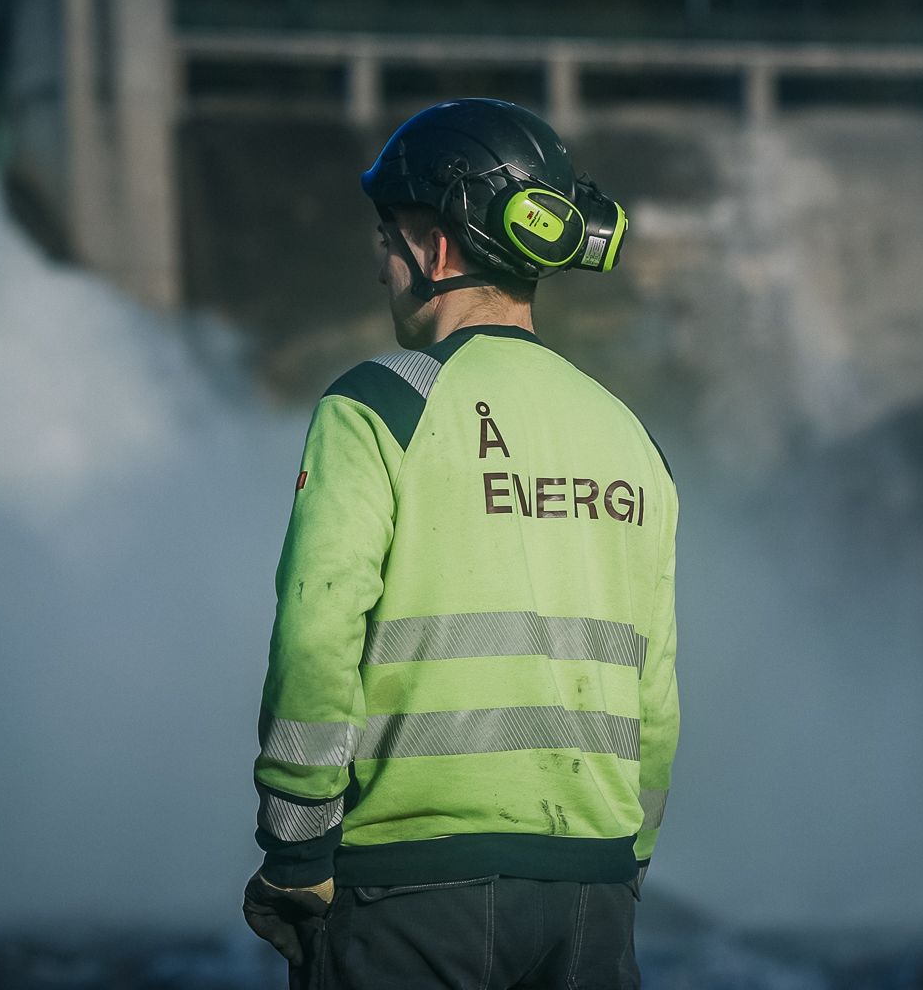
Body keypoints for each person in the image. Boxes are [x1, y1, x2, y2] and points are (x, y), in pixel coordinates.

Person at [239, 99, 679, 989]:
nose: (380, 265)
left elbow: (317, 637)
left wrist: (295, 856)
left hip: (410, 896)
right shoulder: (631, 437)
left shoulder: (377, 407)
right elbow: (656, 695)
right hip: (591, 896)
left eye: (387, 237)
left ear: (435, 249)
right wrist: (623, 861)